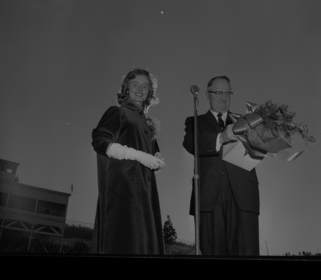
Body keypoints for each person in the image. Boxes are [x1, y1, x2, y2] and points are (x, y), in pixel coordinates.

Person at [90, 68, 166, 255]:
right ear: (126, 88)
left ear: (150, 92)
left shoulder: (147, 124)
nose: (140, 89)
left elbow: (151, 155)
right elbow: (101, 142)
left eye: (145, 86)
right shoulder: (118, 112)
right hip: (124, 193)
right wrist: (140, 156)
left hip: (145, 195)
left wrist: (155, 159)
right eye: (135, 85)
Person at [183, 76, 260, 256]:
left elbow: (260, 148)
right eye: (218, 92)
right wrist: (221, 138)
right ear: (208, 95)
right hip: (209, 198)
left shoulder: (246, 121)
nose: (223, 97)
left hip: (243, 198)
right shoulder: (194, 121)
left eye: (227, 93)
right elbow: (191, 144)